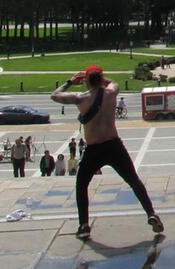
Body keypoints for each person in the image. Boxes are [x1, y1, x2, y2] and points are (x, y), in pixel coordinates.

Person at [52, 65, 163, 239]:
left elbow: (55, 95)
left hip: (93, 149)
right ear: (101, 79)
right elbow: (114, 83)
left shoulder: (82, 98)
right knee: (134, 181)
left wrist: (71, 81)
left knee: (81, 185)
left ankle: (84, 225)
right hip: (113, 145)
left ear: (86, 81)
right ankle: (151, 213)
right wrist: (102, 78)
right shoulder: (111, 94)